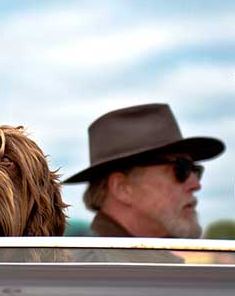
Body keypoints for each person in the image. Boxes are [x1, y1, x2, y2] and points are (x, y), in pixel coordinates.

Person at [63, 103, 224, 263]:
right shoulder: (83, 274)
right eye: (181, 168)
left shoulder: (151, 269)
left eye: (195, 170)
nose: (196, 184)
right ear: (122, 188)